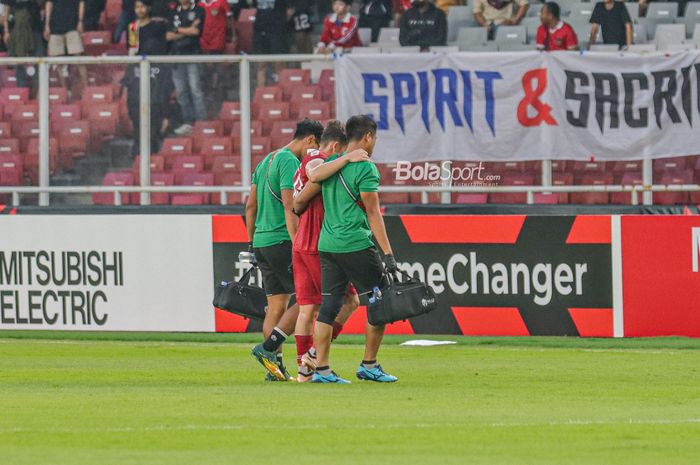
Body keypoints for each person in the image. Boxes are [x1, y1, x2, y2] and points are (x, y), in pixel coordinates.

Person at [311, 115, 399, 384]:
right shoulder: (365, 168)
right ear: (368, 137)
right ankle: (369, 364)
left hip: (327, 245)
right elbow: (373, 214)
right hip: (355, 245)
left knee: (328, 307)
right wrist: (388, 254)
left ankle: (322, 370)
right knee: (379, 301)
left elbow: (313, 176)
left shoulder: (329, 164)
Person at [290, 121, 372, 382]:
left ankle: (305, 370)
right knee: (348, 302)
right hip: (318, 242)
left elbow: (299, 200)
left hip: (302, 241)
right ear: (336, 145)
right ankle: (314, 357)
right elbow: (315, 175)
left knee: (308, 309)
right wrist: (347, 158)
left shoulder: (320, 163)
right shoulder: (317, 156)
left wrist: (299, 204)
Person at [248, 118, 324, 382]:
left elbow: (250, 206)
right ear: (310, 140)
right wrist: (296, 243)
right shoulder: (290, 161)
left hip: (261, 241)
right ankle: (268, 348)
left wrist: (252, 242)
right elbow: (289, 205)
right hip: (283, 240)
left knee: (276, 306)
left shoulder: (265, 161)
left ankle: (275, 368)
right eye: (314, 147)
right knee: (308, 302)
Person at [122, 0, 172, 154]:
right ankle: (137, 148)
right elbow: (132, 49)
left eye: (142, 6)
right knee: (136, 108)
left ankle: (154, 146)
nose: (140, 9)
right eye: (137, 7)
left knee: (154, 108)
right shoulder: (132, 28)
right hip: (137, 72)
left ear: (148, 8)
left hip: (156, 72)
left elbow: (165, 46)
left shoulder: (158, 26)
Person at [166, 0, 207, 135]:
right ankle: (188, 122)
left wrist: (177, 29)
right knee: (181, 91)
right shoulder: (172, 12)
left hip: (192, 54)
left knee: (195, 89)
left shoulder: (199, 10)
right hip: (176, 55)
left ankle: (202, 122)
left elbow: (196, 31)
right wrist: (187, 30)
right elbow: (168, 35)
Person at [45, 0, 88, 90]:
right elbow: (49, 4)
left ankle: (86, 88)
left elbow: (81, 3)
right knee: (58, 62)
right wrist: (47, 25)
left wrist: (80, 21)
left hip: (72, 26)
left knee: (79, 59)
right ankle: (65, 91)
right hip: (55, 27)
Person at [2, 0, 45, 89]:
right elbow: (6, 15)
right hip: (16, 34)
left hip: (35, 32)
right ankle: (21, 88)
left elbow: (43, 9)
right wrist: (6, 31)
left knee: (37, 61)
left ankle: (37, 89)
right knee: (18, 62)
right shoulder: (11, 3)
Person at [252, 0, 291, 85]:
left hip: (276, 31)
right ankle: (260, 93)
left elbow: (290, 10)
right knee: (261, 64)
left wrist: (280, 24)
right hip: (260, 31)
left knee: (279, 63)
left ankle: (281, 91)